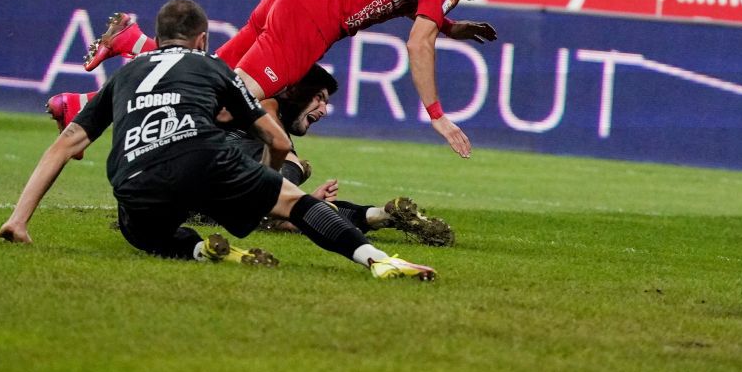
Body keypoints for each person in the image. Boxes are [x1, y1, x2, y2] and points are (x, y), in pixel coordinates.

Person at [0, 0, 437, 281]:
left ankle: (206, 252)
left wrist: (19, 219)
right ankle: (376, 259)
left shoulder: (126, 74)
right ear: (203, 40)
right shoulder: (215, 68)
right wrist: (266, 184)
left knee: (140, 231)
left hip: (136, 175)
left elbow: (65, 144)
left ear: (159, 37)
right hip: (205, 158)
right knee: (297, 202)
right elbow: (273, 135)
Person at [83, 0, 531, 159]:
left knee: (207, 74)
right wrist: (437, 117)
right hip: (310, 23)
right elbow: (418, 45)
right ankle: (96, 110)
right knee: (221, 107)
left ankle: (131, 46)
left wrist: (449, 28)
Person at [46, 63, 456, 246]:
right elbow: (270, 178)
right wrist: (284, 190)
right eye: (319, 97)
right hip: (188, 173)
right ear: (295, 90)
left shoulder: (253, 108)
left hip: (159, 177)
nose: (323, 110)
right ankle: (376, 215)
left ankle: (378, 215)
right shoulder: (264, 112)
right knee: (289, 194)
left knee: (291, 210)